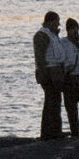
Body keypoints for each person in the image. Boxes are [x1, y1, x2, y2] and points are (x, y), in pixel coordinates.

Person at [33, 11, 65, 139]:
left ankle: (55, 130)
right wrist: (44, 73)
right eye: (57, 22)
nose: (58, 24)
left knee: (56, 101)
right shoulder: (42, 35)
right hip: (49, 72)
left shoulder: (53, 35)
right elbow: (40, 57)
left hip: (55, 71)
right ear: (50, 22)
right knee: (50, 102)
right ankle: (47, 132)